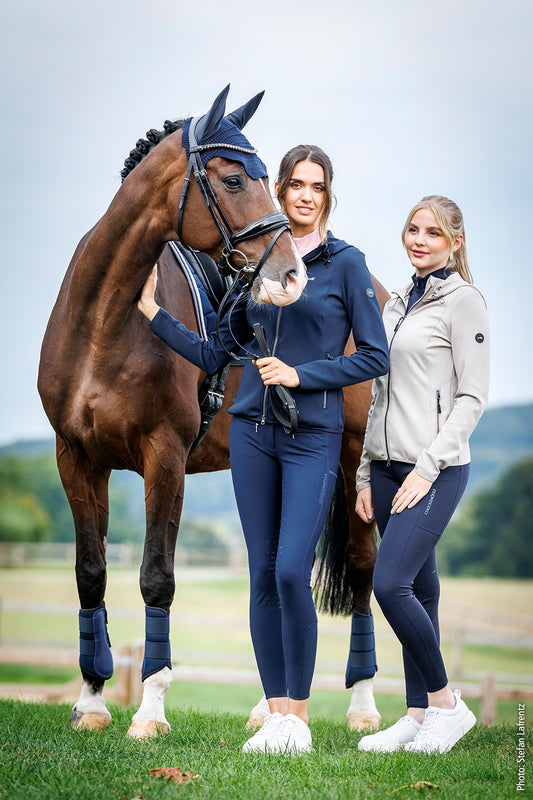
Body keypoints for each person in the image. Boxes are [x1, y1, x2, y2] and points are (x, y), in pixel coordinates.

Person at [138, 144, 389, 753]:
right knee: (259, 574)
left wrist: (304, 375)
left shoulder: (346, 265)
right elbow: (220, 354)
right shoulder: (255, 263)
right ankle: (275, 712)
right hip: (252, 432)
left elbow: (375, 356)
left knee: (287, 570)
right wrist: (154, 317)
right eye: (296, 185)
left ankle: (296, 718)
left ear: (328, 196)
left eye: (317, 187)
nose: (306, 195)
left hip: (312, 435)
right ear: (278, 191)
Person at [355, 195, 490, 754]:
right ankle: (415, 716)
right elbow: (378, 394)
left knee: (389, 585)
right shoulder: (398, 303)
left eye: (433, 233)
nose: (419, 240)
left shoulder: (465, 303)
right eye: (412, 229)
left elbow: (472, 397)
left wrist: (428, 468)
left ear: (454, 241)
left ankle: (445, 703)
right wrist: (365, 469)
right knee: (421, 589)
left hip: (433, 470)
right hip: (385, 470)